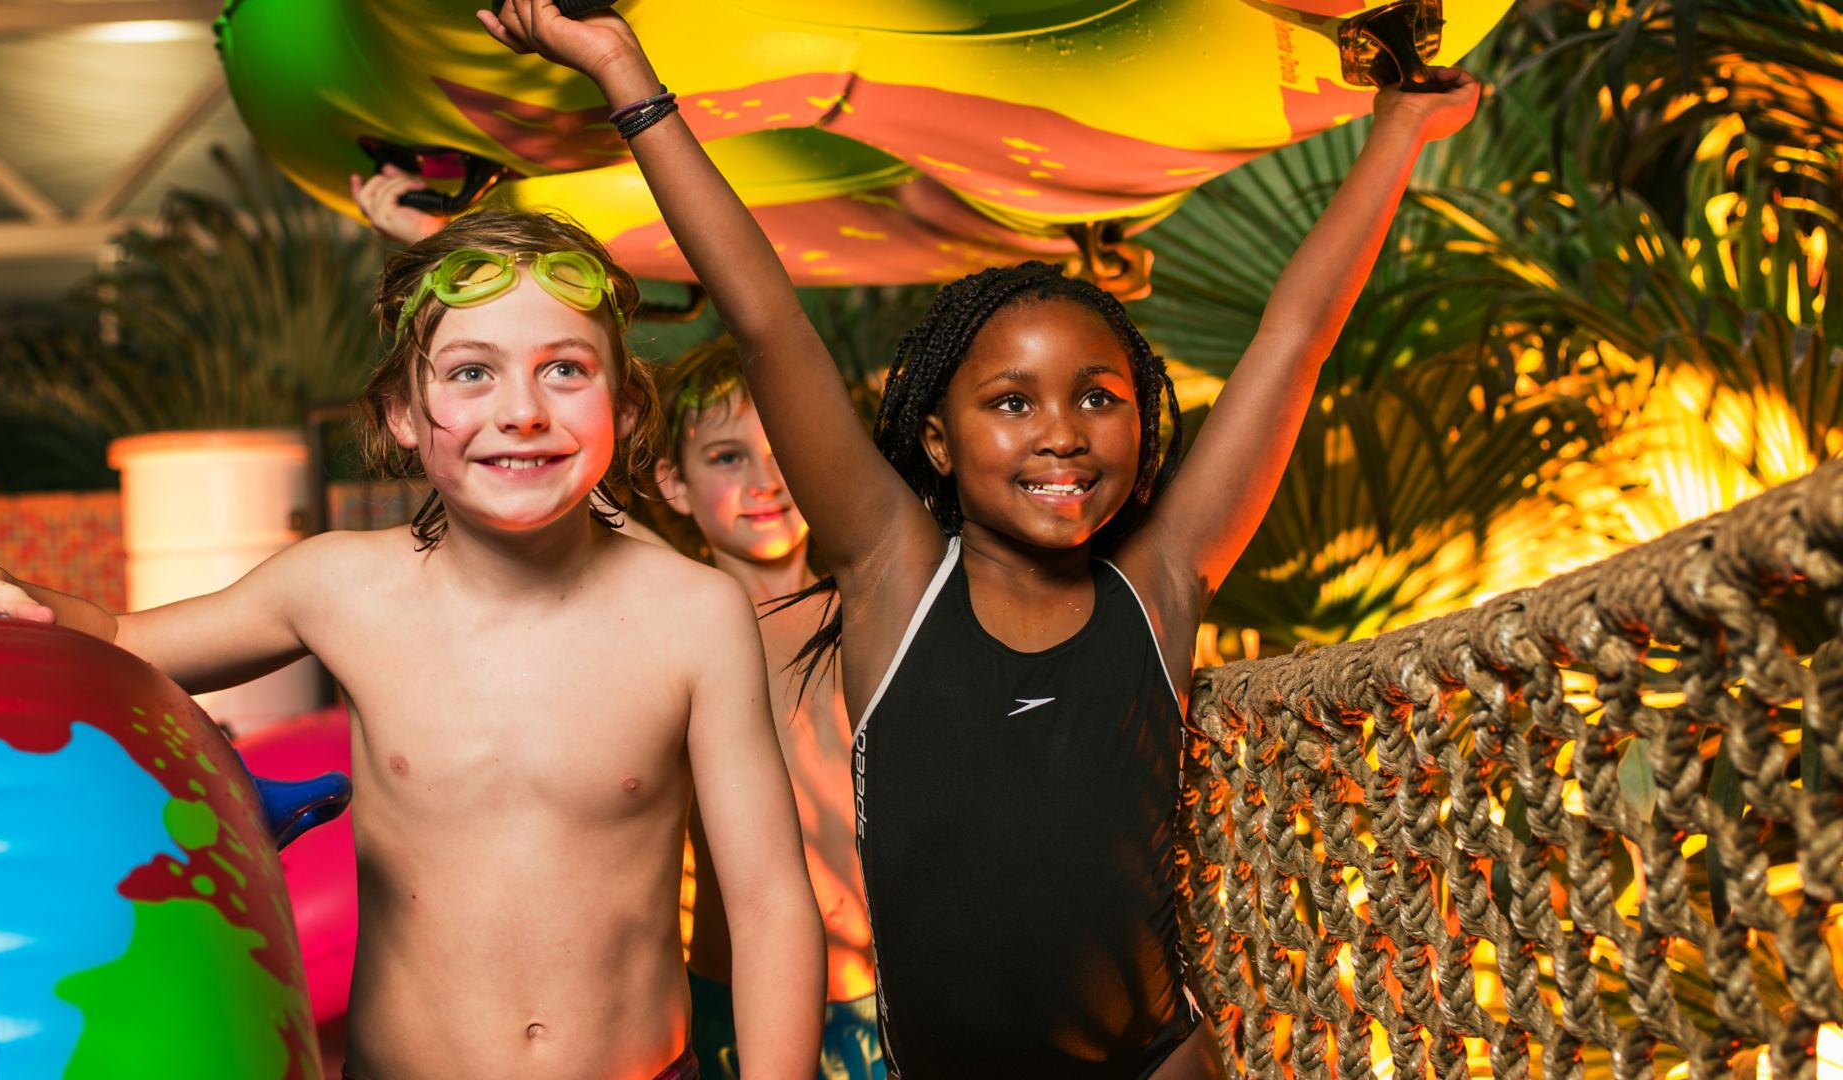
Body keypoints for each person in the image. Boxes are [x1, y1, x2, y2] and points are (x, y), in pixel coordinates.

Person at [480, 5, 1478, 1075]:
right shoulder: (892, 571)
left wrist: (1397, 135)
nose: (1060, 431)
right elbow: (766, 316)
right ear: (938, 442)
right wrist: (625, 73)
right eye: (1011, 402)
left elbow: (1296, 336)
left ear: (1144, 425)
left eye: (1099, 396)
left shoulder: (1159, 583)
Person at [0, 209, 826, 1080]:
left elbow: (770, 903)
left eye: (564, 370)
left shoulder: (692, 615)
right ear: (403, 413)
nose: (521, 411)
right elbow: (122, 641)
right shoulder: (342, 589)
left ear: (626, 410)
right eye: (472, 373)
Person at [652, 340, 882, 1079]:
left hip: (888, 1000)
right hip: (733, 1009)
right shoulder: (672, 634)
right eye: (727, 458)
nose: (767, 480)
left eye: (783, 448)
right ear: (674, 484)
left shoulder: (874, 614)